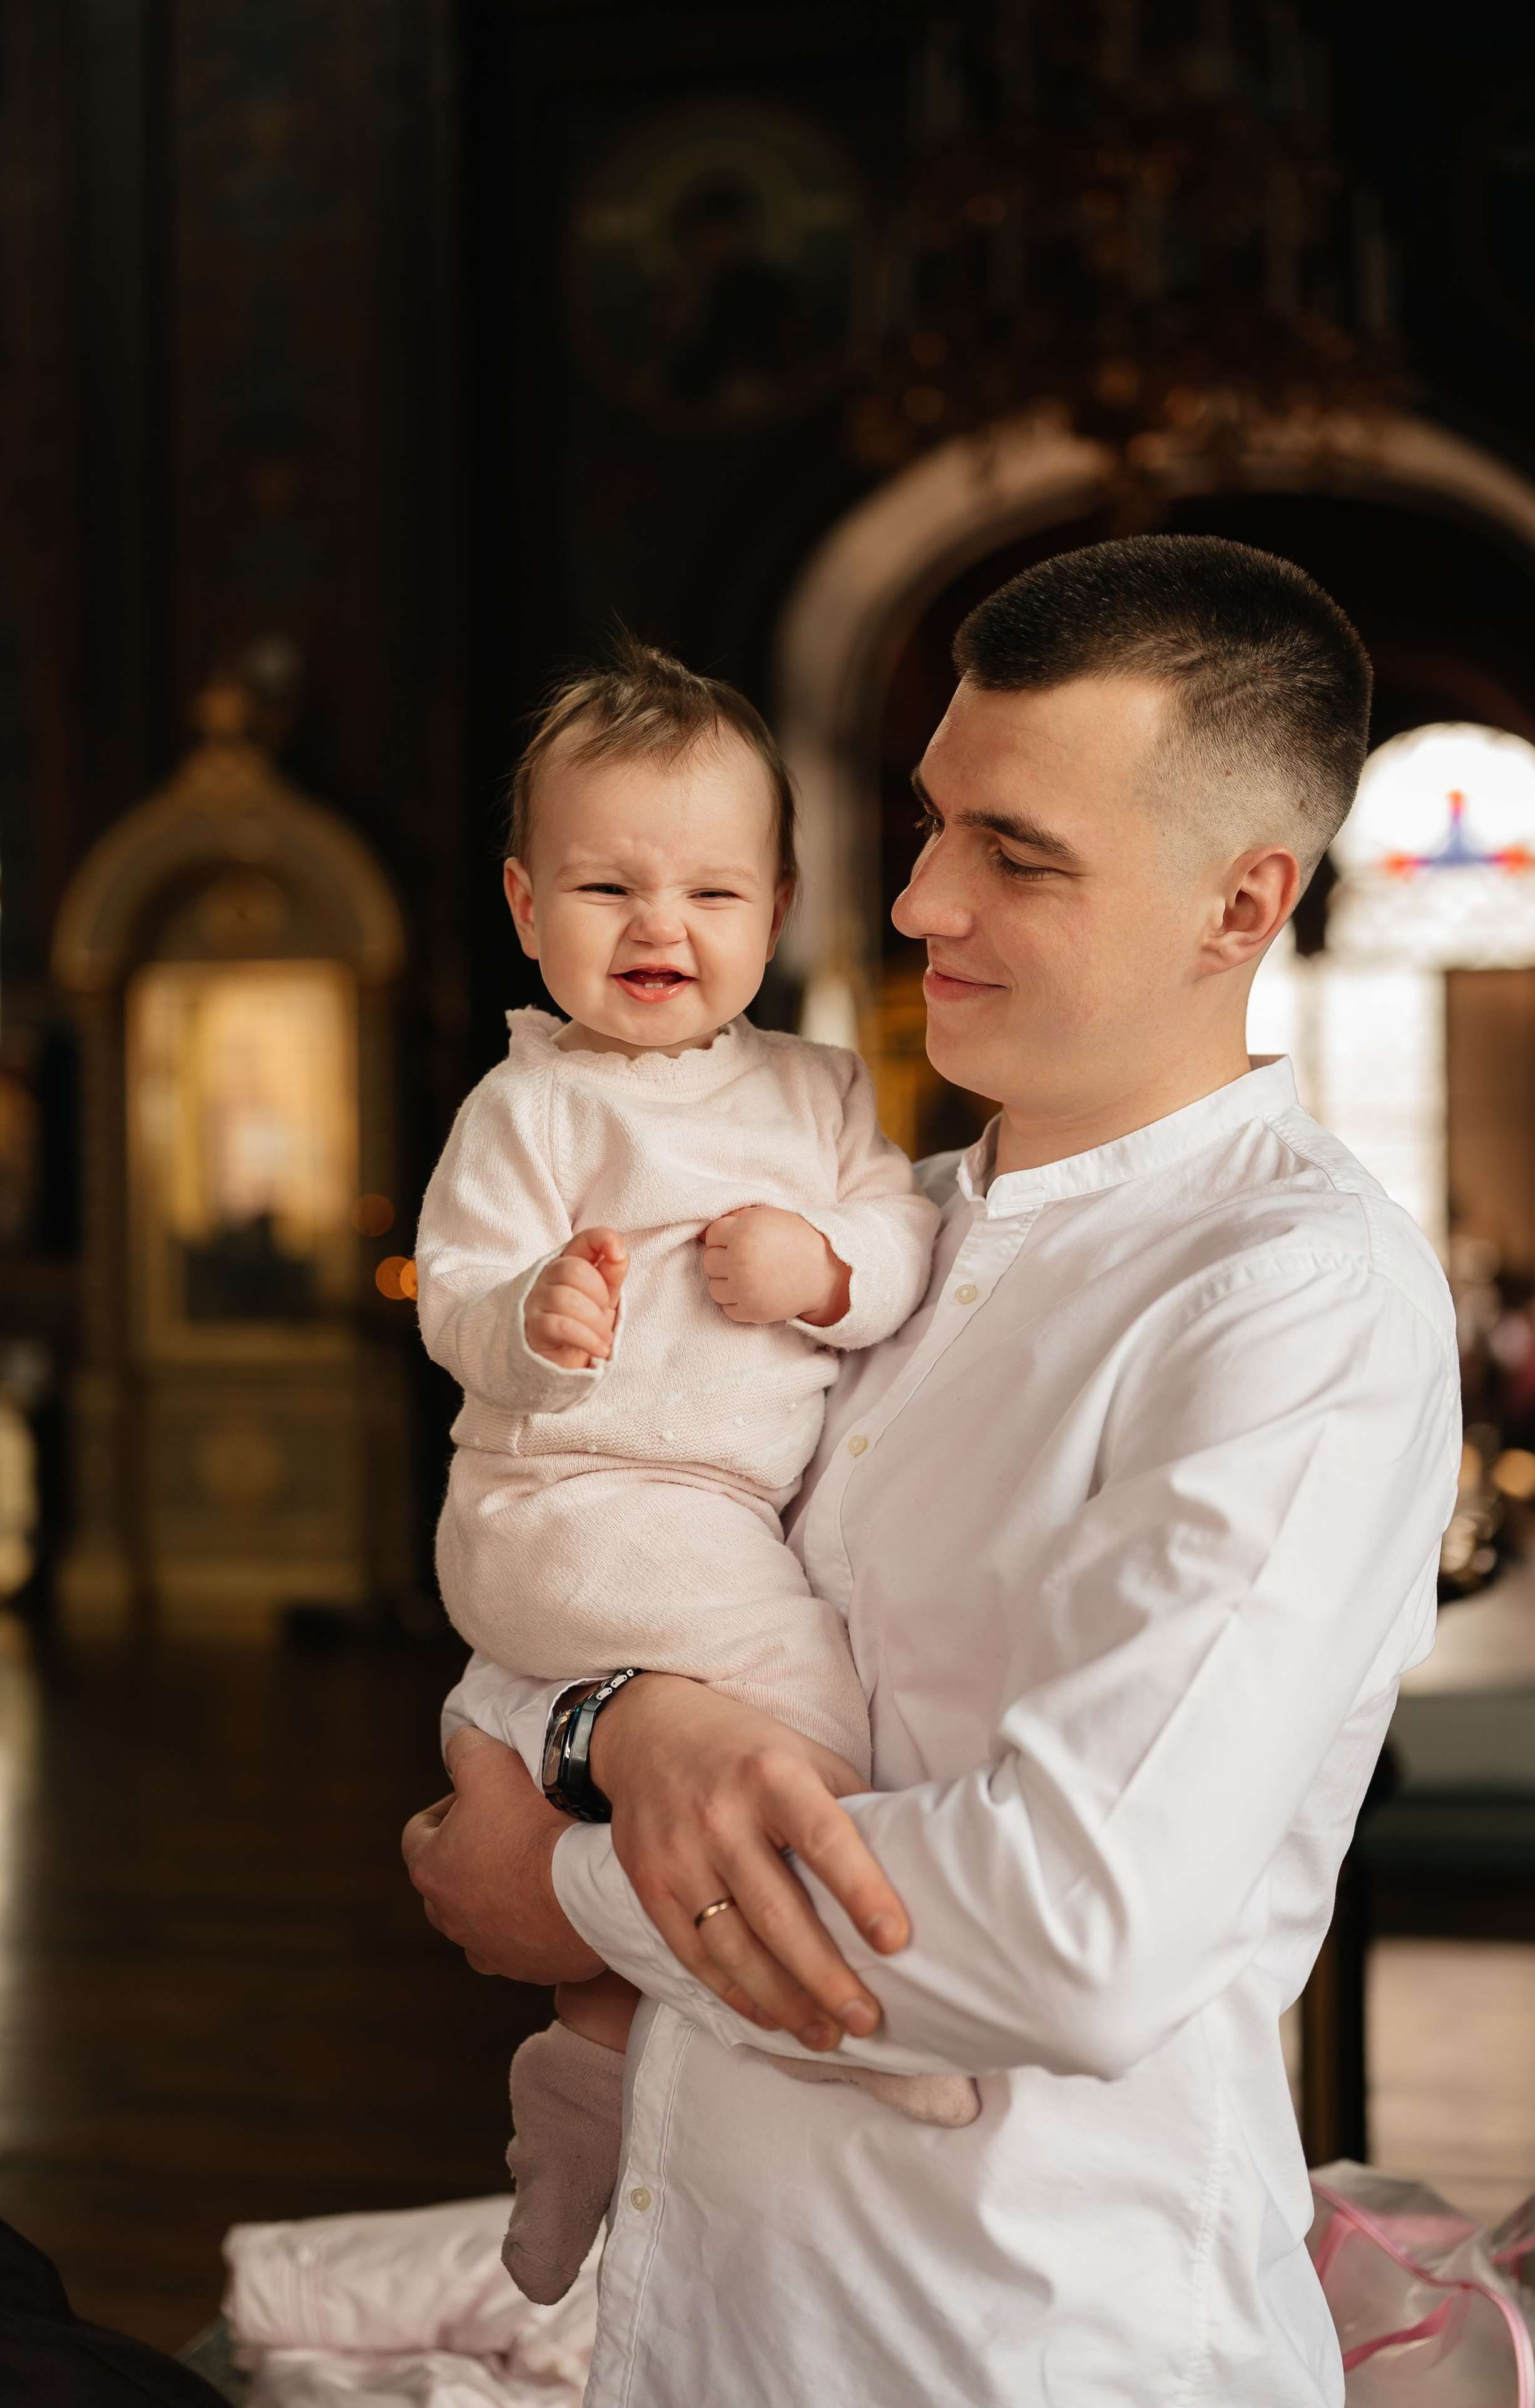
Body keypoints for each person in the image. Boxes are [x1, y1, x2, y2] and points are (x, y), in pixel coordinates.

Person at [405, 535, 1460, 2407]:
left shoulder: (1294, 1301)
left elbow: (1073, 1928)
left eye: (1013, 854)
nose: (914, 903)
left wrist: (563, 1891)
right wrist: (615, 1731)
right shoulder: (867, 1221)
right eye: (930, 828)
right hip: (708, 2311)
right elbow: (611, 1546)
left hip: (1017, 2339)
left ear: (1243, 904)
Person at [414, 643, 964, 2307]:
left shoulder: (817, 1090)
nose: (662, 929)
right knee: (810, 1698)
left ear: (783, 903)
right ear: (525, 904)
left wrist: (816, 1265)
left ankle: (584, 2074)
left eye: (713, 890)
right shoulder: (527, 1107)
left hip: (690, 1530)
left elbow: (901, 1236)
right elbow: (454, 1292)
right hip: (575, 1502)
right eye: (605, 884)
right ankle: (850, 2007)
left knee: (661, 1746)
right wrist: (543, 1314)